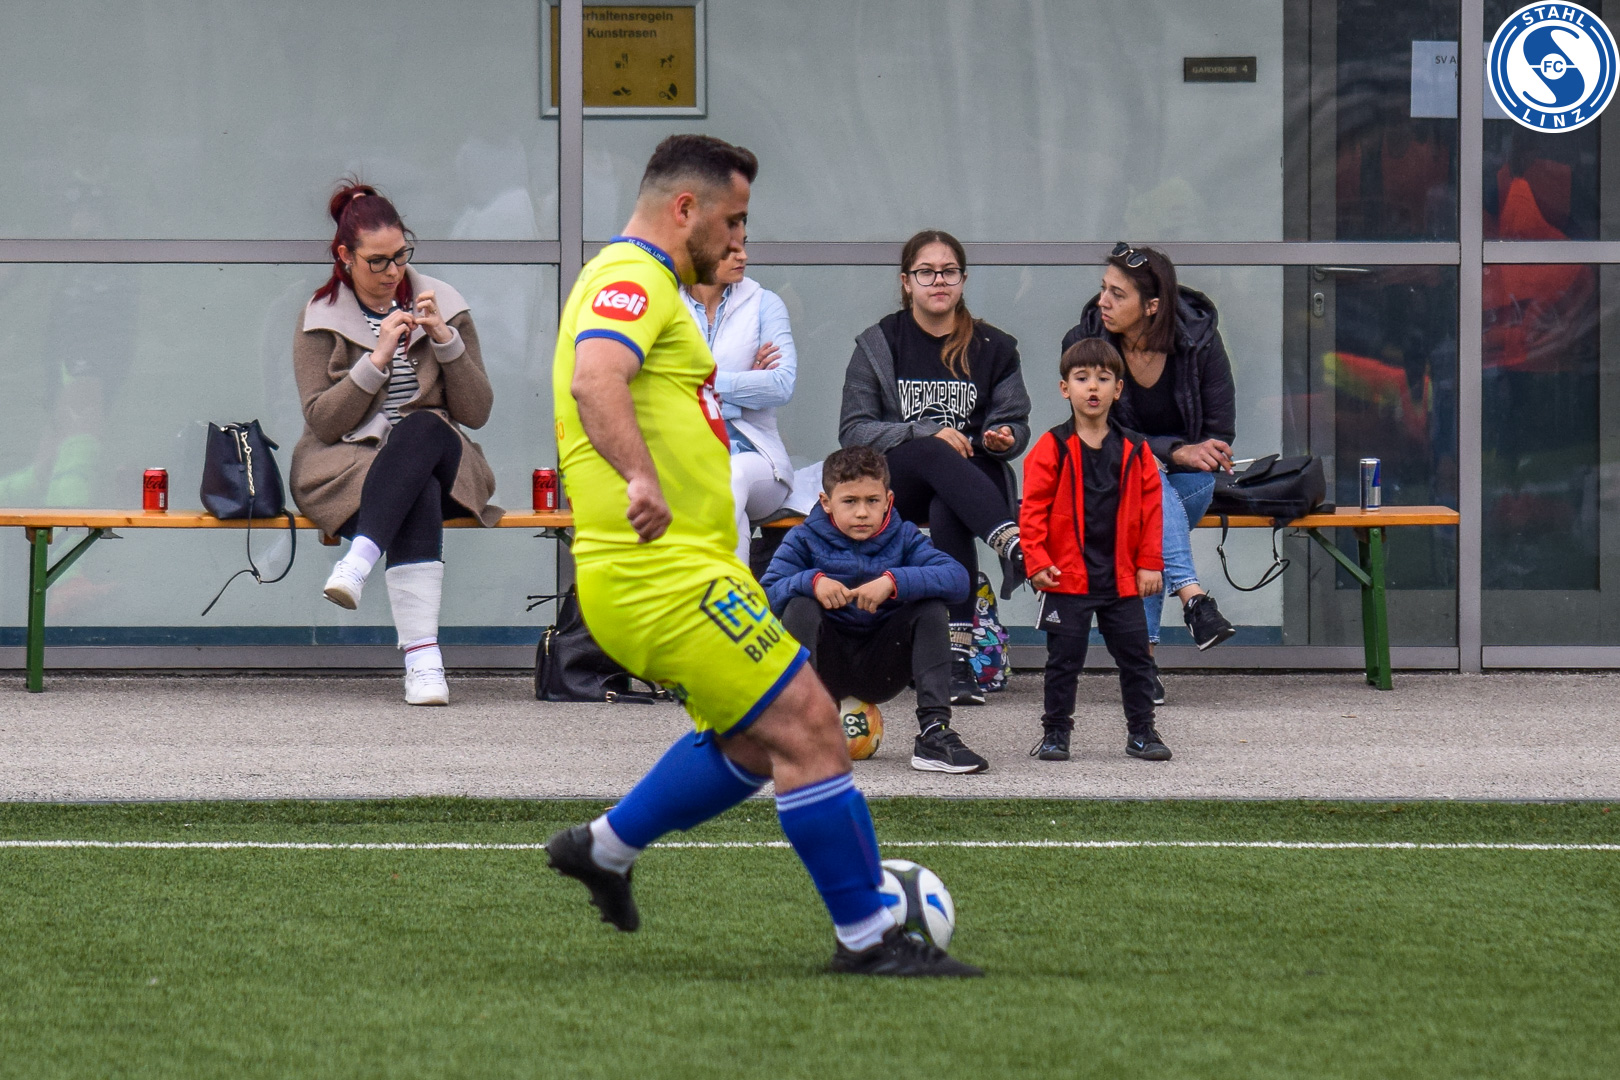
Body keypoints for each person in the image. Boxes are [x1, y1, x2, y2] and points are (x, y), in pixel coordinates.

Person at [544, 134, 978, 978]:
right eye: (733, 219)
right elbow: (595, 378)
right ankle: (870, 938)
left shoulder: (654, 281)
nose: (740, 237)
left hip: (676, 571)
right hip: (661, 574)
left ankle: (603, 847)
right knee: (813, 723)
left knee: (754, 743)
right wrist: (640, 476)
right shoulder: (631, 276)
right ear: (686, 209)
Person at [290, 181, 499, 707]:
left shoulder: (444, 305)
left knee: (422, 429)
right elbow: (323, 422)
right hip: (347, 468)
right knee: (415, 490)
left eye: (401, 256)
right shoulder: (321, 316)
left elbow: (476, 413)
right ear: (345, 256)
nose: (392, 272)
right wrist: (376, 359)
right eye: (377, 261)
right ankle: (424, 663)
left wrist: (446, 342)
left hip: (442, 458)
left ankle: (358, 561)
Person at [839, 230, 1030, 708]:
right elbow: (854, 430)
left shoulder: (994, 346)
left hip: (973, 482)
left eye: (948, 272)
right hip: (900, 481)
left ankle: (956, 663)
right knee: (932, 449)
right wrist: (924, 432)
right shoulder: (879, 343)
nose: (938, 281)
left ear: (963, 280)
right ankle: (1014, 545)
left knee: (950, 506)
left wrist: (1004, 436)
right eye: (926, 272)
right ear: (906, 282)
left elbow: (1015, 421)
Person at [1061, 243, 1238, 701]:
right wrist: (1172, 451)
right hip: (1107, 476)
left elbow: (1219, 433)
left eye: (1117, 294)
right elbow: (1097, 429)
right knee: (1143, 482)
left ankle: (1144, 665)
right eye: (1104, 288)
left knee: (1147, 507)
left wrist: (1181, 457)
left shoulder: (1199, 341)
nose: (1103, 301)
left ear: (1152, 306)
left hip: (1186, 484)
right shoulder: (1085, 341)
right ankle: (1192, 599)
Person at [762, 447, 983, 774]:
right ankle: (797, 735)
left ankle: (934, 734)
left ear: (888, 501)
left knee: (931, 607)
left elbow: (958, 579)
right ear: (826, 502)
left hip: (883, 667)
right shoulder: (803, 538)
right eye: (850, 501)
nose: (862, 512)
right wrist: (812, 582)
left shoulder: (904, 536)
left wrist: (893, 582)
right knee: (799, 605)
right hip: (825, 669)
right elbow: (765, 594)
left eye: (872, 500)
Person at [1022, 339, 1171, 763]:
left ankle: (1142, 733)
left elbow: (1152, 512)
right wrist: (1037, 561)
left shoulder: (1136, 449)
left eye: (1103, 379)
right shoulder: (1051, 447)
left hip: (1121, 578)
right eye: (1082, 378)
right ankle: (1055, 734)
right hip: (1066, 578)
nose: (1093, 387)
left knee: (1137, 660)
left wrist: (1149, 564)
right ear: (1064, 388)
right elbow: (1031, 511)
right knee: (1063, 662)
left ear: (1118, 389)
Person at [681, 241, 798, 564]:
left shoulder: (765, 303)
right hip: (682, 461)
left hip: (756, 459)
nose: (743, 255)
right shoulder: (664, 306)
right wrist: (744, 386)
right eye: (727, 247)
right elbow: (648, 389)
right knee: (735, 512)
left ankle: (702, 580)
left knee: (730, 477)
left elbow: (781, 385)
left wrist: (699, 385)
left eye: (743, 245)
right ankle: (732, 594)